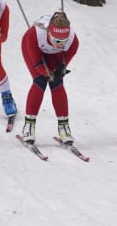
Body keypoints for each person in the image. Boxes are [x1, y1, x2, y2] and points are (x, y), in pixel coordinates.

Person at [21, 11, 79, 144]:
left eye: (63, 41)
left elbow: (64, 59)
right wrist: (48, 73)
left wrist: (60, 70)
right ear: (49, 33)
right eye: (56, 40)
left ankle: (64, 128)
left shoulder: (73, 41)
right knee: (40, 81)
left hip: (54, 55)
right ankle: (29, 127)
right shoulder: (35, 34)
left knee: (57, 83)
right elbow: (37, 64)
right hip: (34, 49)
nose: (59, 44)